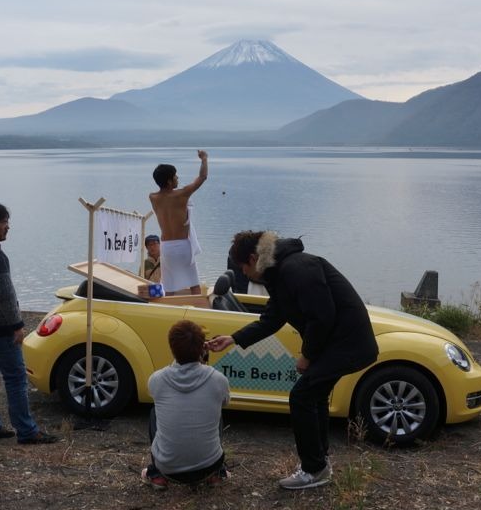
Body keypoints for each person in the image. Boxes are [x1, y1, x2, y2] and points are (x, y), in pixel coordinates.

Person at [206, 231, 377, 490]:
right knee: (314, 395)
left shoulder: (297, 268)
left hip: (348, 342)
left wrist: (307, 355)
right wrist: (233, 338)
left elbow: (322, 316)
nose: (243, 273)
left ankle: (314, 469)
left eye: (242, 267)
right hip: (336, 341)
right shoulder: (278, 274)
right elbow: (272, 319)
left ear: (253, 258)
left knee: (302, 397)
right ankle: (320, 463)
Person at [0, 201, 58, 445]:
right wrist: (17, 325)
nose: (8, 227)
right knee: (16, 378)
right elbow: (5, 296)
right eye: (4, 222)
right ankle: (26, 431)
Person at [142, 319, 231, 489]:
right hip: (209, 467)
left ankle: (156, 475)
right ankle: (218, 475)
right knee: (215, 409)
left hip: (168, 469)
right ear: (202, 347)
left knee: (155, 412)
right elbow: (225, 402)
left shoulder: (157, 379)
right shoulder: (218, 380)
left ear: (171, 347)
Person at [149, 150, 208, 295]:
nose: (177, 178)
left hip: (167, 247)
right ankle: (199, 311)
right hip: (183, 246)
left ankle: (169, 311)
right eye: (175, 176)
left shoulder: (152, 197)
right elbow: (202, 176)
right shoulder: (182, 194)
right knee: (194, 285)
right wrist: (204, 159)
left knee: (169, 286)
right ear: (169, 181)